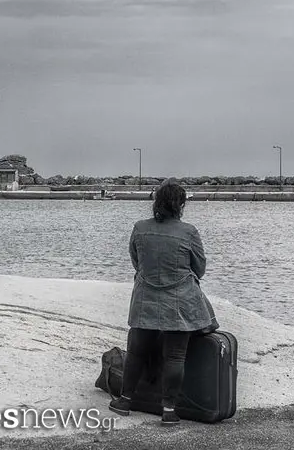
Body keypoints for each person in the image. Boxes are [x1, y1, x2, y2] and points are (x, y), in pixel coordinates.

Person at [108, 180, 216, 425]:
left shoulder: (140, 228)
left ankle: (125, 401)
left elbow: (136, 262)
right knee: (175, 356)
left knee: (136, 353)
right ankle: (169, 411)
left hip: (145, 299)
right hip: (179, 303)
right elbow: (199, 269)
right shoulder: (189, 232)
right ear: (181, 205)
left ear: (156, 202)